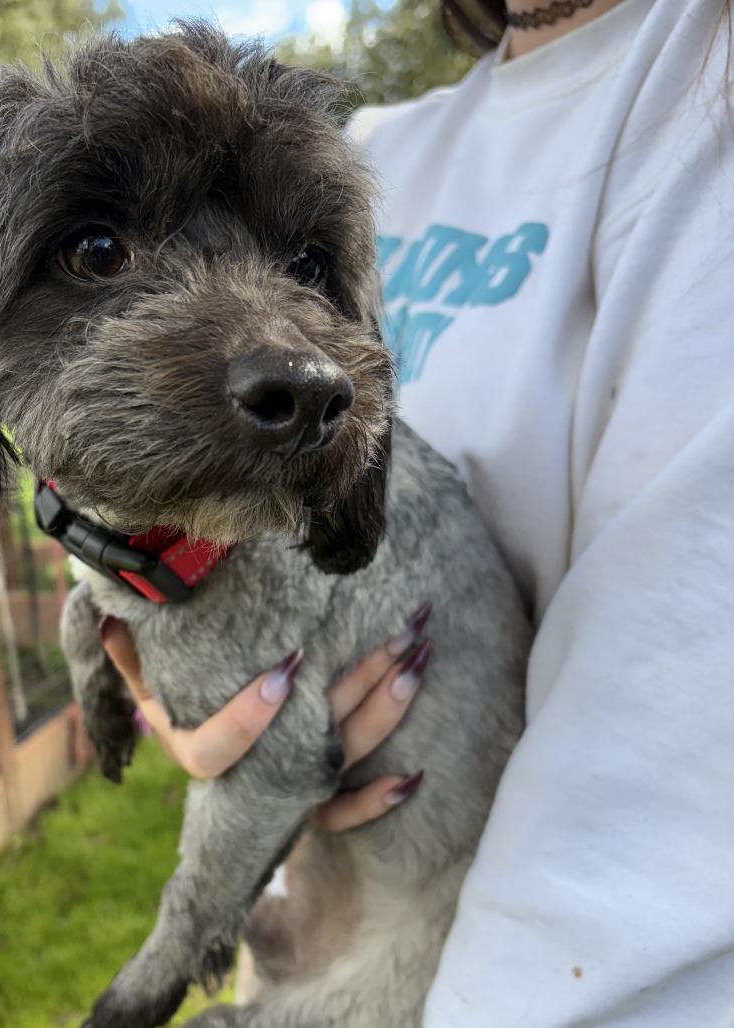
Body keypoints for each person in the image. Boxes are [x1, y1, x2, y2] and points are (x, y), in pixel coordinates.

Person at [100, 0, 734, 1022]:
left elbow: (663, 811)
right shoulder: (362, 149)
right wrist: (195, 690)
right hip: (314, 917)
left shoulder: (699, 96)